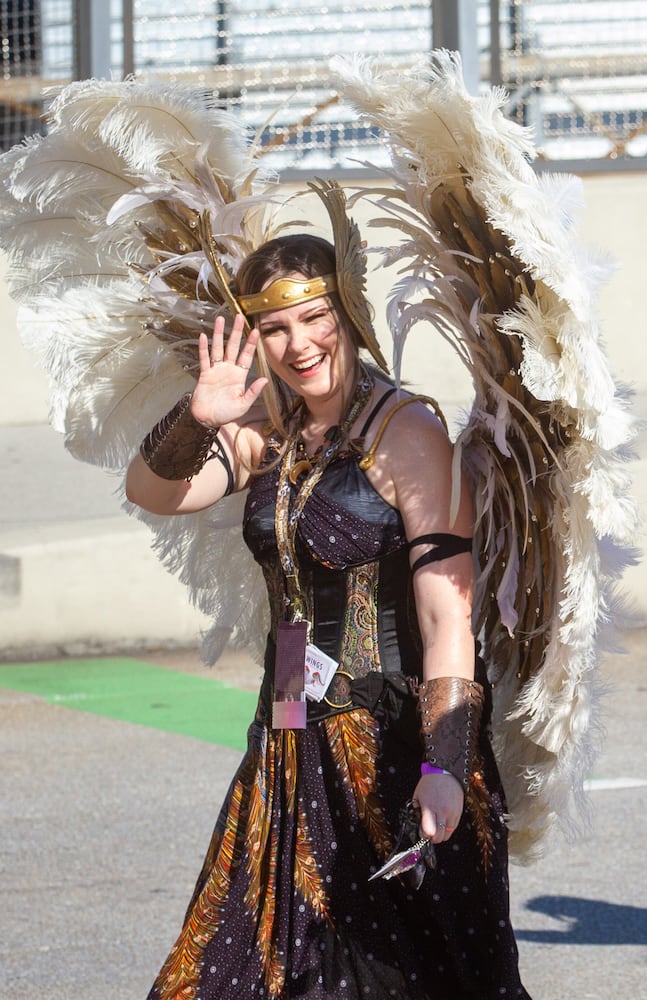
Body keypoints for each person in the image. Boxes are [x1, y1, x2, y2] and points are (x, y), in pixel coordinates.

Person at [124, 235, 529, 998]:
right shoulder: (265, 429)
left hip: (393, 755)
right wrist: (197, 412)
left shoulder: (407, 433)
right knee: (230, 969)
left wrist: (444, 767)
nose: (298, 344)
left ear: (347, 308)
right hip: (283, 742)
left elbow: (449, 620)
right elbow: (153, 491)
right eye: (275, 329)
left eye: (314, 318)